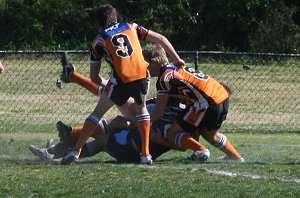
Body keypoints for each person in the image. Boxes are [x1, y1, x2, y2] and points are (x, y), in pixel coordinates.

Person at [61, 4, 185, 165]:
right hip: (142, 76)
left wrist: (105, 86)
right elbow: (160, 38)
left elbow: (94, 76)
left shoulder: (98, 40)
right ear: (116, 18)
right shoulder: (131, 26)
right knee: (142, 111)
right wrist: (176, 58)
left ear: (98, 23)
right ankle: (145, 155)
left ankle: (76, 150)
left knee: (97, 113)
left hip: (120, 80)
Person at [143, 44, 244, 161]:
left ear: (154, 62)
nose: (144, 68)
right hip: (221, 97)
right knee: (210, 134)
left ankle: (201, 151)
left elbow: (158, 113)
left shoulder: (165, 78)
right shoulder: (176, 68)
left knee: (172, 133)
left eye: (145, 64)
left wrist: (139, 123)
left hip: (206, 102)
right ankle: (235, 157)